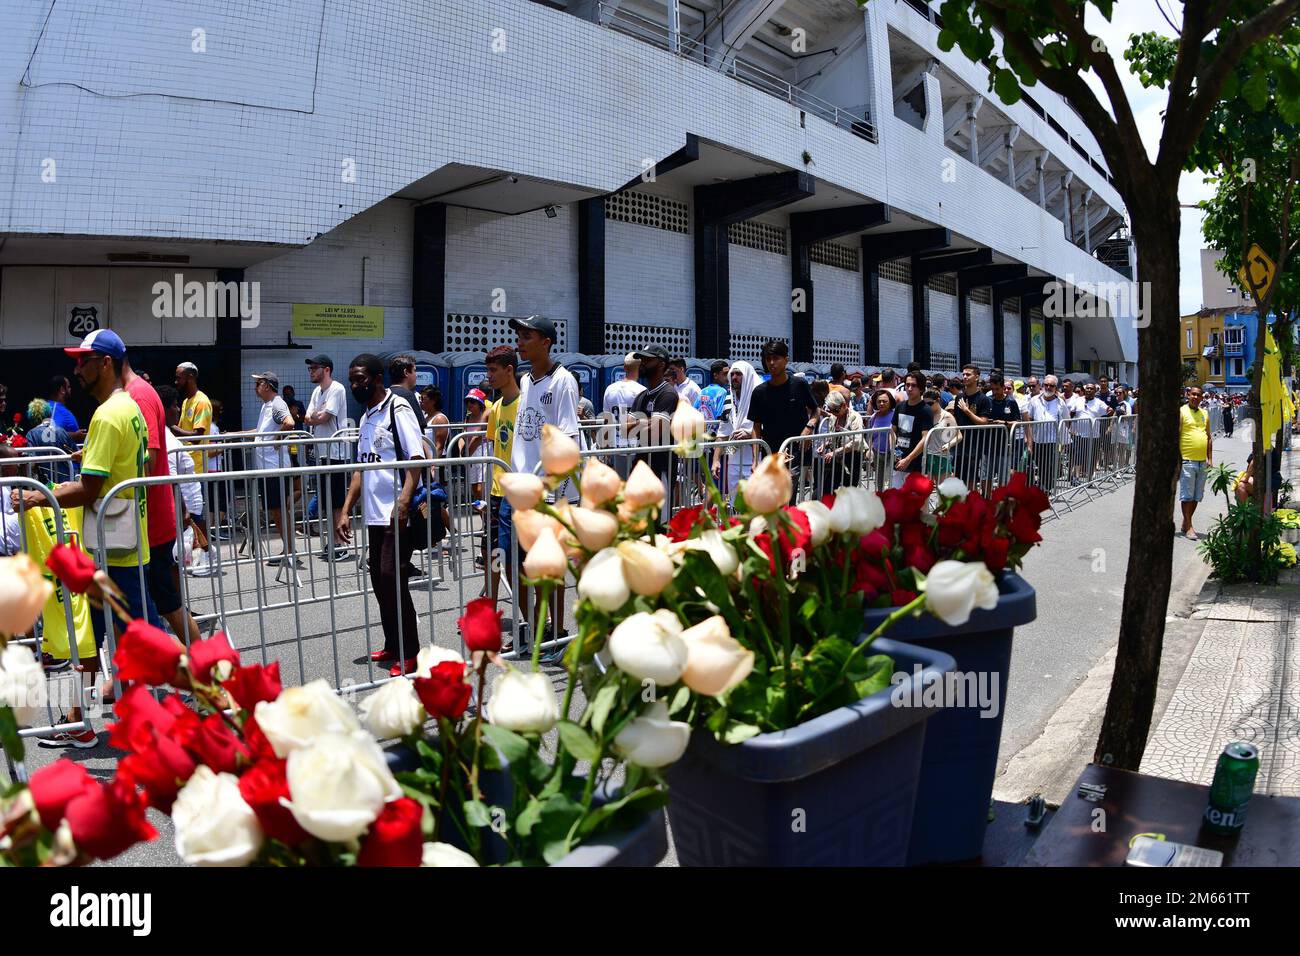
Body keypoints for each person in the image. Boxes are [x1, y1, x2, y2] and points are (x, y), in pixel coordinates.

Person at [13, 330, 158, 748]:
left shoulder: (107, 415)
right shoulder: (128, 408)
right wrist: (89, 459)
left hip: (111, 549)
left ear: (106, 363)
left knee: (100, 640)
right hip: (126, 543)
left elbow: (91, 489)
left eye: (84, 361)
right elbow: (129, 464)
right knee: (101, 638)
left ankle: (109, 724)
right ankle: (88, 719)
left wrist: (36, 496)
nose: (77, 369)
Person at [337, 353, 427, 676]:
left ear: (377, 378)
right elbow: (361, 469)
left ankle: (410, 651)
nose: (355, 385)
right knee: (379, 581)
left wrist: (403, 501)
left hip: (396, 513)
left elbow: (416, 458)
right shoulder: (365, 417)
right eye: (352, 380)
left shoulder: (397, 408)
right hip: (374, 516)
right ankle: (392, 642)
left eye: (360, 379)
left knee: (392, 579)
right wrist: (346, 509)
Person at [510, 315, 580, 655]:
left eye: (527, 336)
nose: (520, 343)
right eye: (519, 336)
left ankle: (558, 633)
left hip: (552, 493)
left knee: (551, 567)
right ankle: (540, 630)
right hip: (525, 491)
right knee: (528, 567)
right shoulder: (525, 380)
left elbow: (567, 439)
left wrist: (550, 487)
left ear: (546, 342)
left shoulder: (563, 381)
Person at [122, 351, 201, 647]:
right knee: (162, 597)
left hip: (156, 521)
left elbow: (155, 469)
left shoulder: (141, 398)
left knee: (164, 598)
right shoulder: (145, 403)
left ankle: (200, 663)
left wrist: (183, 511)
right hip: (159, 519)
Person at [749, 340, 817, 493]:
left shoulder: (799, 385)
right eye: (768, 359)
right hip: (770, 454)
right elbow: (756, 427)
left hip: (796, 452)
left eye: (776, 358)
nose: (772, 363)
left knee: (787, 494)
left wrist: (809, 427)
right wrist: (755, 460)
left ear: (786, 360)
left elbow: (815, 410)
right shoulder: (759, 392)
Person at [157, 385, 210, 577]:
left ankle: (203, 560)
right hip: (185, 502)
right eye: (174, 405)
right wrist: (182, 509)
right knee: (190, 540)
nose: (178, 409)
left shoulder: (167, 432)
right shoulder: (166, 439)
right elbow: (172, 478)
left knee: (196, 537)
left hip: (189, 500)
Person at [302, 354, 351, 561]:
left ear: (327, 370)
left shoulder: (337, 389)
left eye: (315, 368)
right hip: (322, 452)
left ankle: (341, 544)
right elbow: (307, 417)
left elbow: (323, 417)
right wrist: (315, 415)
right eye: (310, 368)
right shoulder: (317, 391)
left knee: (337, 501)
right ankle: (333, 540)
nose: (311, 371)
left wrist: (316, 415)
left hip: (336, 452)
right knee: (327, 501)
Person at [246, 372, 297, 564]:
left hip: (274, 467)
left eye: (258, 383)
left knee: (279, 510)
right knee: (278, 510)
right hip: (268, 467)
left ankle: (290, 552)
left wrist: (277, 439)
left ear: (267, 385)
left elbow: (289, 423)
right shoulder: (267, 405)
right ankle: (289, 550)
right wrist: (234, 434)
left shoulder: (277, 403)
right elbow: (261, 432)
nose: (255, 387)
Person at [484, 345, 520, 615]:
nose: (489, 376)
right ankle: (490, 610)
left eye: (493, 370)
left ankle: (533, 617)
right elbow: (495, 445)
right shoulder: (496, 407)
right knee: (493, 553)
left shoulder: (524, 405)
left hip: (518, 492)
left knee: (516, 559)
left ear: (509, 370)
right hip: (496, 491)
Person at [629, 345, 679, 503]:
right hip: (640, 465)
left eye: (647, 359)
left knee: (660, 517)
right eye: (641, 359)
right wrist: (650, 421)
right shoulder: (641, 396)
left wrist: (639, 423)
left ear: (662, 364)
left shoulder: (668, 393)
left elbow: (655, 432)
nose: (642, 363)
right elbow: (626, 429)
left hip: (661, 466)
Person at [713, 360, 760, 501]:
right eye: (732, 374)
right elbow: (723, 432)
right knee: (735, 503)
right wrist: (716, 460)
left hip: (756, 461)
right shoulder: (729, 399)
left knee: (755, 504)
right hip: (733, 460)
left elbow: (769, 427)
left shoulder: (760, 396)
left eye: (739, 374)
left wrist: (749, 434)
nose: (734, 377)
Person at [812, 389, 865, 496]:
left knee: (849, 492)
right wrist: (825, 444)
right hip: (836, 459)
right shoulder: (833, 417)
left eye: (835, 410)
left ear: (844, 405)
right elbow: (832, 436)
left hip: (852, 457)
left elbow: (856, 441)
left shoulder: (855, 417)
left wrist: (835, 452)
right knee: (825, 490)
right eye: (830, 410)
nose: (833, 413)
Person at [1177, 384, 1212, 540]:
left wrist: (1210, 458)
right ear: (1188, 395)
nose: (1196, 397)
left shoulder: (1205, 413)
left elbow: (1209, 437)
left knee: (1197, 496)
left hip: (1202, 462)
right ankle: (1189, 526)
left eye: (1199, 395)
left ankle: (1186, 522)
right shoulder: (1181, 411)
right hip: (1187, 460)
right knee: (1187, 495)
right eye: (1193, 394)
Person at [602, 354, 646, 479]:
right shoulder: (642, 391)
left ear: (624, 367)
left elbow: (607, 421)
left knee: (621, 484)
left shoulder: (610, 389)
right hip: (637, 445)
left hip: (616, 445)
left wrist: (606, 447)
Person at [950, 363, 993, 486]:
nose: (965, 377)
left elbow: (984, 422)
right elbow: (956, 419)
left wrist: (967, 411)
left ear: (977, 377)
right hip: (959, 445)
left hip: (975, 447)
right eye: (963, 374)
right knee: (958, 478)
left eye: (968, 374)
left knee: (971, 480)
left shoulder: (983, 399)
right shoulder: (959, 397)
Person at [1024, 374, 1068, 494]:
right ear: (1042, 386)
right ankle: (1042, 488)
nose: (1048, 387)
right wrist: (1028, 439)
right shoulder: (1034, 400)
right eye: (1046, 385)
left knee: (1050, 466)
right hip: (1037, 439)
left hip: (1053, 441)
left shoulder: (1060, 403)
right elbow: (1029, 420)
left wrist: (1063, 438)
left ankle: (1045, 489)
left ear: (1056, 388)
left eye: (1051, 386)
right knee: (1040, 465)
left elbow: (1067, 420)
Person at [891, 372, 933, 487]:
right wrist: (894, 449)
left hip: (916, 463)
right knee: (896, 494)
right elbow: (892, 430)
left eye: (913, 385)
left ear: (921, 388)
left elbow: (925, 438)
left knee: (913, 496)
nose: (909, 388)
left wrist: (908, 459)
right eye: (907, 384)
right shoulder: (900, 406)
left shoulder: (926, 410)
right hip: (897, 460)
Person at [172, 362, 213, 473]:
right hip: (185, 463)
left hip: (197, 467)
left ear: (190, 377)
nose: (176, 382)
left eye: (179, 378)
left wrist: (170, 426)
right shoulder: (186, 401)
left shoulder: (202, 402)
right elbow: (181, 430)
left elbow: (197, 437)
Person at [983, 372, 1021, 489]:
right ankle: (986, 497)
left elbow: (1018, 423)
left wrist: (1004, 423)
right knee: (985, 478)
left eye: (997, 389)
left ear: (1003, 387)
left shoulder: (1011, 402)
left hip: (1004, 447)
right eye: (992, 389)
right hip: (988, 447)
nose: (994, 392)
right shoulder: (988, 400)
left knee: (1003, 480)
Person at [921, 389, 961, 480]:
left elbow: (959, 435)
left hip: (941, 456)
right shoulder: (926, 414)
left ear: (938, 400)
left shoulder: (947, 416)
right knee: (926, 486)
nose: (927, 406)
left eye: (930, 403)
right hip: (926, 455)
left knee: (942, 487)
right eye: (925, 404)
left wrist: (949, 444)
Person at [388, 355, 429, 436]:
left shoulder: (386, 394)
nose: (416, 375)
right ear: (406, 372)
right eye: (414, 371)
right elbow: (419, 430)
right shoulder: (408, 396)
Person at [867, 389, 896, 489]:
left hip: (891, 454)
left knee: (888, 484)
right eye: (879, 401)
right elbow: (871, 435)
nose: (881, 403)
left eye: (884, 401)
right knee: (879, 482)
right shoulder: (874, 417)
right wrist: (869, 450)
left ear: (890, 402)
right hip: (877, 454)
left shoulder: (895, 415)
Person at [46, 374, 84, 440]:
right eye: (68, 387)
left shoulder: (53, 406)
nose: (70, 389)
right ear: (62, 390)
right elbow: (51, 434)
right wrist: (75, 435)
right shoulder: (55, 408)